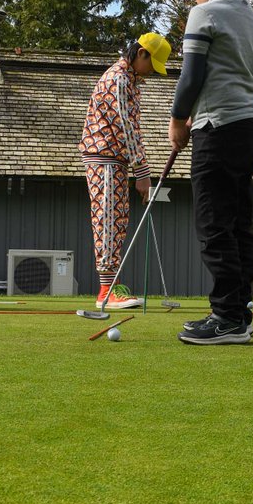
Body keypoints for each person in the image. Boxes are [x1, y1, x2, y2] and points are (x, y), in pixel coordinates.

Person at [171, 0, 253, 345]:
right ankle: (240, 312)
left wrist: (178, 119)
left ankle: (226, 317)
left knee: (213, 223)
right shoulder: (249, 15)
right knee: (239, 223)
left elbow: (191, 76)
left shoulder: (202, 12)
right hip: (250, 126)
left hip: (218, 128)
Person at [78, 32, 171, 310]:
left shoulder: (130, 80)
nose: (152, 72)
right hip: (104, 155)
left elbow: (132, 128)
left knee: (119, 219)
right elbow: (126, 126)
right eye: (152, 65)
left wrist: (138, 166)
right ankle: (105, 291)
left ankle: (112, 283)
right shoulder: (119, 78)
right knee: (107, 218)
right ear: (141, 53)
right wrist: (142, 170)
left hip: (115, 158)